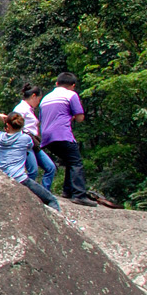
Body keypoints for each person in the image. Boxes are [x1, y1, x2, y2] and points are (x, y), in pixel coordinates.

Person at [0, 111, 60, 209]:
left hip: (5, 177)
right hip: (20, 179)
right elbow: (30, 148)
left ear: (7, 125)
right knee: (51, 200)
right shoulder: (26, 139)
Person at [39, 72, 95, 206]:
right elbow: (80, 117)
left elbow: (41, 120)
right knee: (76, 162)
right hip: (62, 134)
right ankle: (79, 195)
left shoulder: (45, 98)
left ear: (57, 84)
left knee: (70, 160)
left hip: (46, 137)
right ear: (73, 86)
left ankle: (67, 191)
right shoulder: (71, 95)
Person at [13, 85, 56, 193]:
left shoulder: (29, 109)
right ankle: (28, 194)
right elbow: (14, 124)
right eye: (39, 99)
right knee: (33, 170)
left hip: (34, 143)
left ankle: (45, 193)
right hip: (25, 143)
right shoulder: (20, 108)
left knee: (50, 167)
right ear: (33, 96)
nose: (38, 102)